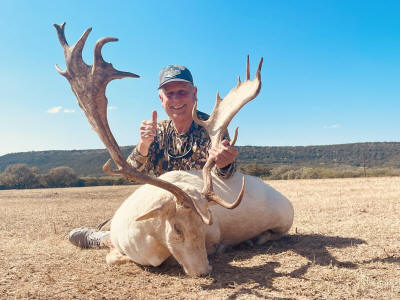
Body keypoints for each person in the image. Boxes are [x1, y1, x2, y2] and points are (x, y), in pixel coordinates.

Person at [69, 64, 238, 248]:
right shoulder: (157, 132)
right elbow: (131, 175)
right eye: (169, 93)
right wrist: (144, 144)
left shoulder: (213, 127)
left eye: (182, 91)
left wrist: (225, 163)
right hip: (163, 205)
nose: (176, 99)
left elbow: (226, 178)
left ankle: (107, 239)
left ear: (194, 93)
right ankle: (108, 237)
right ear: (161, 98)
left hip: (199, 207)